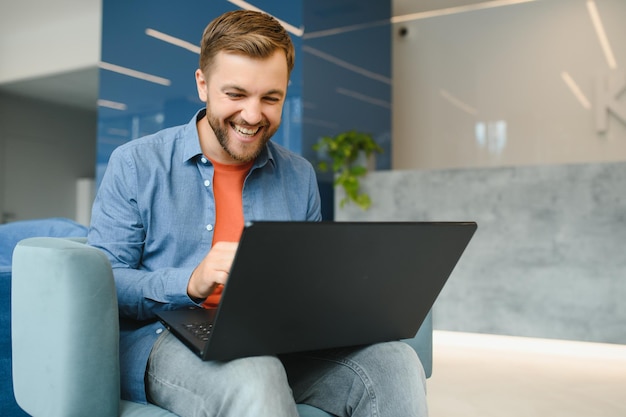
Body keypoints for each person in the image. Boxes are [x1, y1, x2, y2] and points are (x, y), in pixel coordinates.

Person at [88, 9, 428, 417]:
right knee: (256, 371)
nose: (252, 116)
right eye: (235, 95)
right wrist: (190, 283)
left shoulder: (299, 176)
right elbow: (105, 280)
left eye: (271, 98)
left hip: (274, 341)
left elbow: (307, 282)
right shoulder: (135, 164)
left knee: (396, 361)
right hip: (166, 340)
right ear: (202, 84)